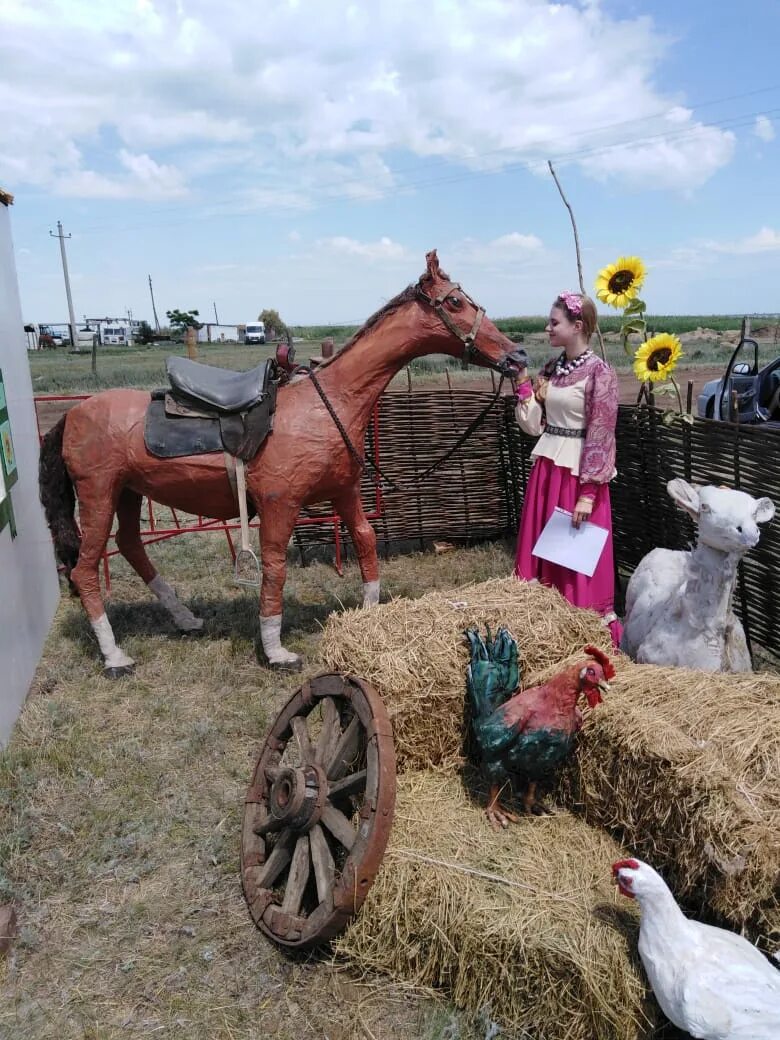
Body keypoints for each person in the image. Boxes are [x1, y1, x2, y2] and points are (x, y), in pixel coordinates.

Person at [513, 290, 622, 646]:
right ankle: (543, 637)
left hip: (578, 479)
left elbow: (602, 434)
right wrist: (522, 381)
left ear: (577, 326)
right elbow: (532, 426)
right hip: (548, 472)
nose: (547, 328)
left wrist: (588, 494)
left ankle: (581, 640)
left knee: (573, 560)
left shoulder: (600, 374)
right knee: (543, 554)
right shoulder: (553, 369)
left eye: (554, 322)